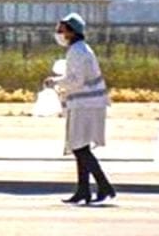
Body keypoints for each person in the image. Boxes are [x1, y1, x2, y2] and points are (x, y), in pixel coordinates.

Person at [48, 13, 113, 205]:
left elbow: (77, 80)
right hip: (85, 103)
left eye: (62, 30)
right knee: (80, 146)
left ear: (71, 32)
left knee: (79, 147)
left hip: (85, 104)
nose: (58, 34)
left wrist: (55, 82)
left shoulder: (77, 51)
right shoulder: (80, 49)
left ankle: (104, 185)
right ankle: (83, 190)